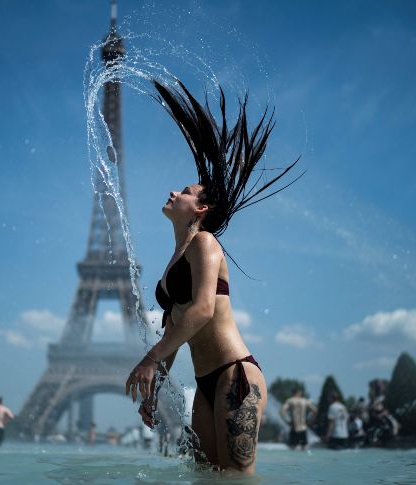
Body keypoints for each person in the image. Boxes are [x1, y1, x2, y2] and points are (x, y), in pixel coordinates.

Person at [126, 78, 301, 474]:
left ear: (199, 210)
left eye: (185, 191)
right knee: (206, 478)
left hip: (234, 374)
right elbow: (175, 324)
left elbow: (203, 309)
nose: (174, 192)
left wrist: (150, 359)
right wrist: (156, 384)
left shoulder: (204, 243)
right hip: (206, 387)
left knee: (237, 480)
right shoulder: (175, 260)